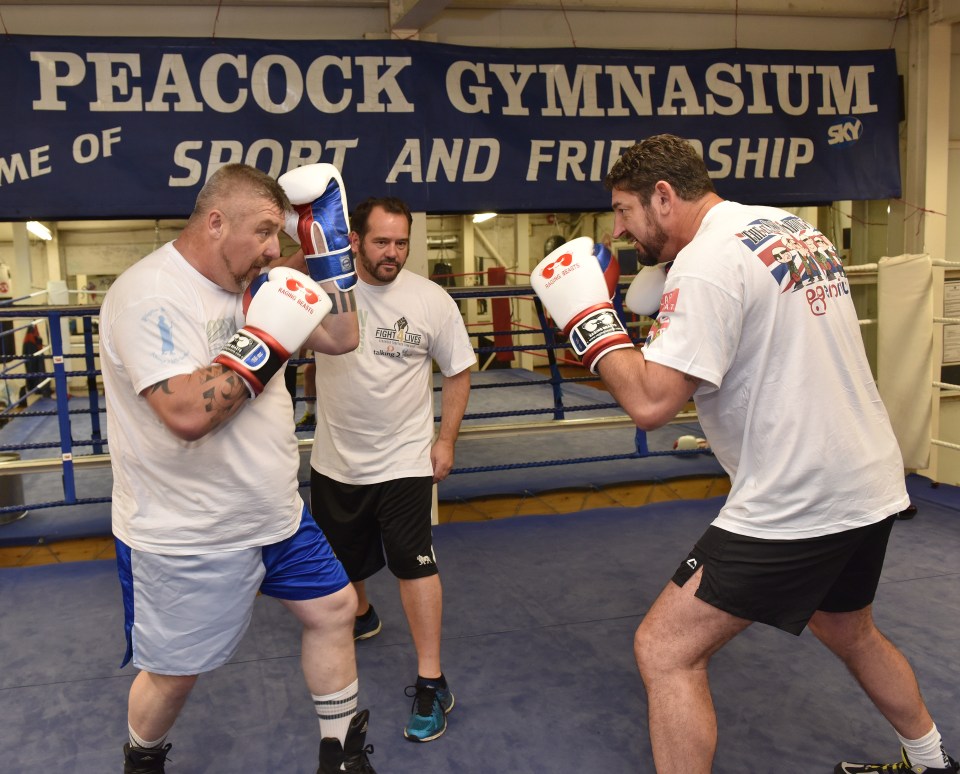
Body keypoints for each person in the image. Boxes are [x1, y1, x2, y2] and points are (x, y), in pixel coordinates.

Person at [530, 134, 957, 774]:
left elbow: (651, 403)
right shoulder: (786, 226)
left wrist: (589, 320)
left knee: (665, 649)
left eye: (624, 211)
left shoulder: (705, 264)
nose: (618, 231)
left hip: (797, 495)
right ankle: (932, 761)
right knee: (847, 628)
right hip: (866, 478)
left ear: (664, 196)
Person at [99, 163, 376, 774]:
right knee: (175, 675)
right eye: (265, 231)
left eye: (282, 233)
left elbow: (342, 335)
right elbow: (186, 412)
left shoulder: (257, 283)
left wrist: (330, 250)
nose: (276, 249)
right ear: (216, 222)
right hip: (189, 531)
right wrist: (267, 340)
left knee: (335, 609)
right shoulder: (150, 293)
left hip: (276, 513)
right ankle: (141, 759)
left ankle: (343, 756)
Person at [308, 196, 476, 743]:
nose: (393, 253)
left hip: (405, 459)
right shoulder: (324, 297)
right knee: (341, 566)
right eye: (381, 242)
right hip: (336, 460)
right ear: (353, 241)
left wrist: (445, 438)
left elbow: (458, 370)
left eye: (401, 242)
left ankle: (431, 682)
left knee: (415, 563)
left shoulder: (429, 300)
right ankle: (363, 610)